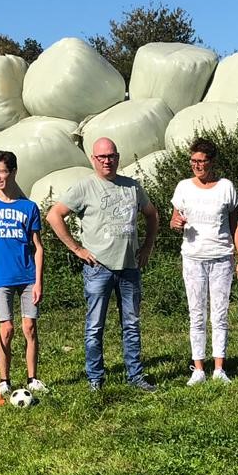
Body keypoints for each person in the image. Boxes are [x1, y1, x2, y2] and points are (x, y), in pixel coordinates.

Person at [45, 137, 160, 392]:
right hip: (98, 268)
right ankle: (95, 378)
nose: (107, 161)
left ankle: (135, 376)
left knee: (131, 324)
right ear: (93, 160)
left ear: (118, 157)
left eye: (111, 156)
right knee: (95, 326)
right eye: (101, 157)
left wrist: (147, 247)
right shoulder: (84, 187)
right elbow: (54, 215)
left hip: (129, 266)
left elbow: (152, 215)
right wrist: (77, 249)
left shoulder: (132, 187)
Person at [169, 138, 238, 384]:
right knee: (196, 313)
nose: (197, 166)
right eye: (193, 161)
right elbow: (174, 220)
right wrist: (175, 224)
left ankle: (219, 368)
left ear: (211, 162)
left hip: (222, 257)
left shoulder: (225, 187)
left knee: (220, 313)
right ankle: (198, 368)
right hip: (193, 258)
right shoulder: (183, 187)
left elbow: (235, 224)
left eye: (202, 161)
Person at [0, 149, 46, 397]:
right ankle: (4, 379)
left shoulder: (29, 207)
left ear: (13, 172)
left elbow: (38, 247)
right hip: (0, 278)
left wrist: (38, 281)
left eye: (2, 171)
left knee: (30, 328)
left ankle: (32, 378)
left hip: (26, 276)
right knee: (7, 330)